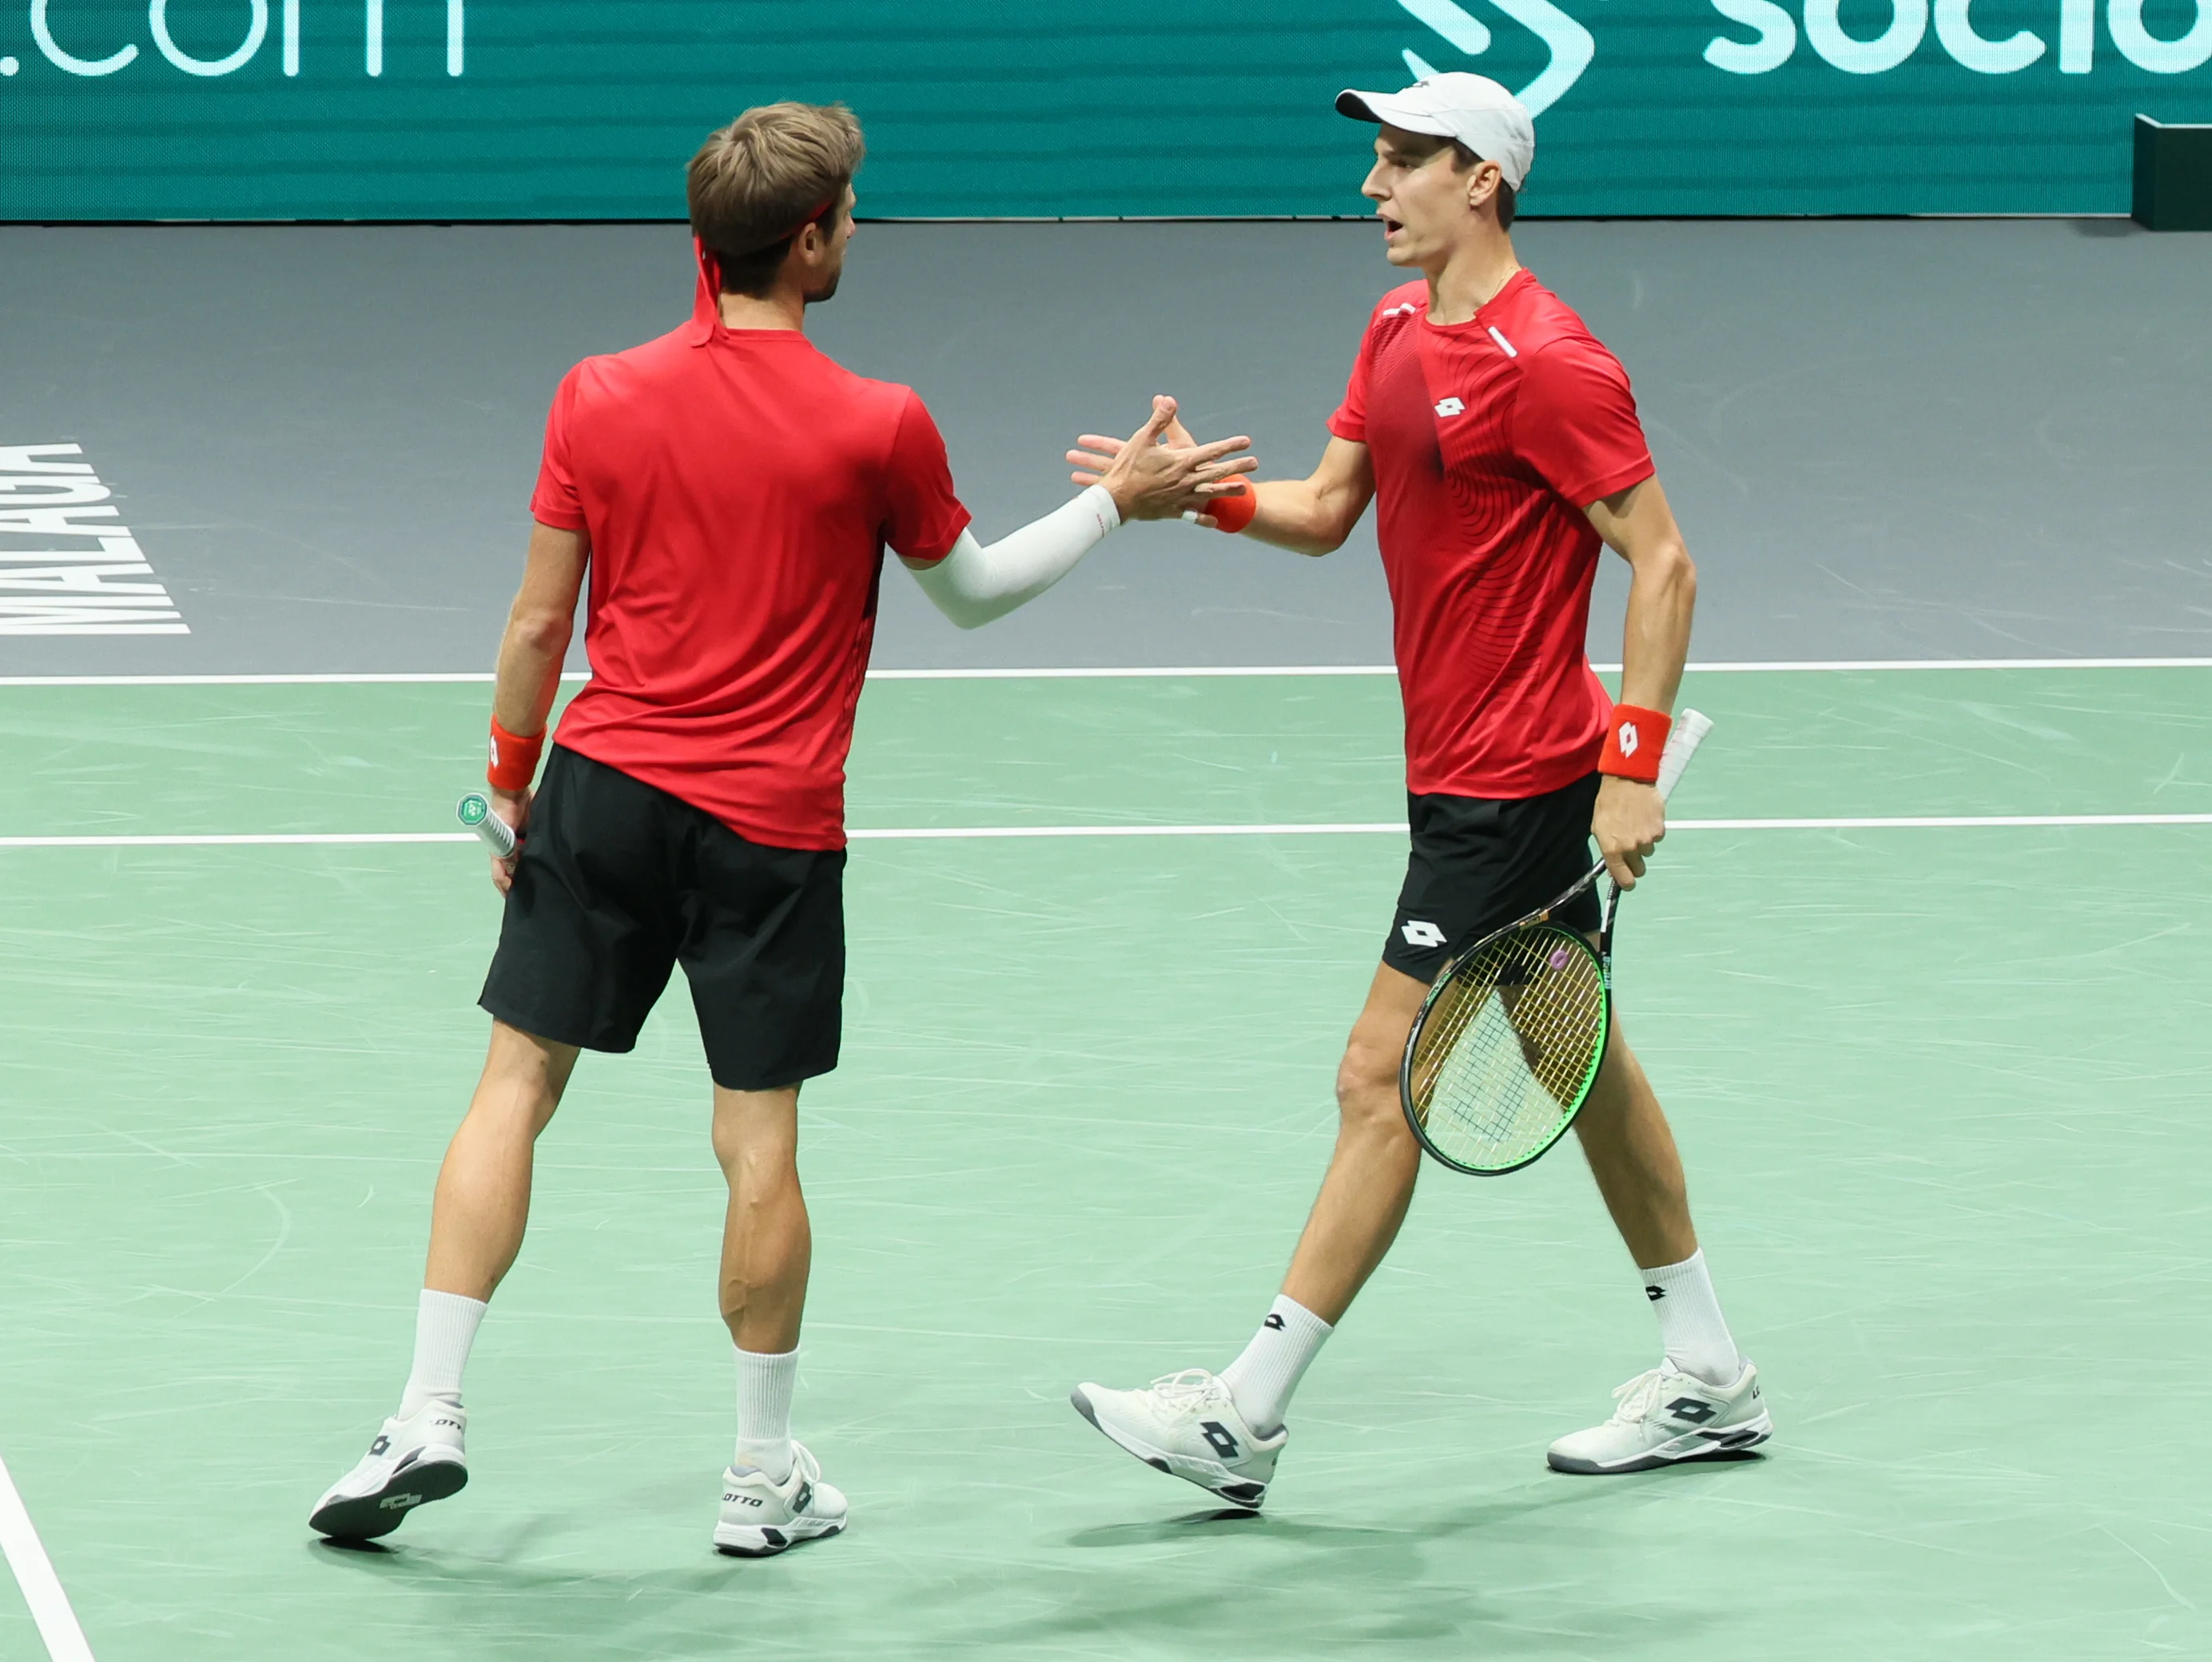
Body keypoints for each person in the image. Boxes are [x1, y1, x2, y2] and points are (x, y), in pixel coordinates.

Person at [308, 100, 1252, 1556]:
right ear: (809, 241)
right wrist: (1122, 503)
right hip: (771, 832)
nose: (855, 230)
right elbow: (978, 592)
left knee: (513, 1087)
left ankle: (428, 1410)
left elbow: (539, 619)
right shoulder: (878, 420)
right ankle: (761, 1478)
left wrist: (511, 784)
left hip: (604, 793)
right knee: (758, 1142)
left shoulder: (595, 395)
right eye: (851, 214)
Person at [1065, 72, 1770, 1508]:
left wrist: (1628, 774)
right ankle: (1708, 1372)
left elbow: (1667, 563)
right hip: (1450, 770)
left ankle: (1245, 1413)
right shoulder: (1395, 328)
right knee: (1591, 1070)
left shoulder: (1550, 360)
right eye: (1378, 162)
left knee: (1375, 1079)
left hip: (1520, 783)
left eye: (1406, 163)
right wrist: (1189, 496)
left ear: (1485, 182)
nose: (1377, 187)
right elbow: (1328, 515)